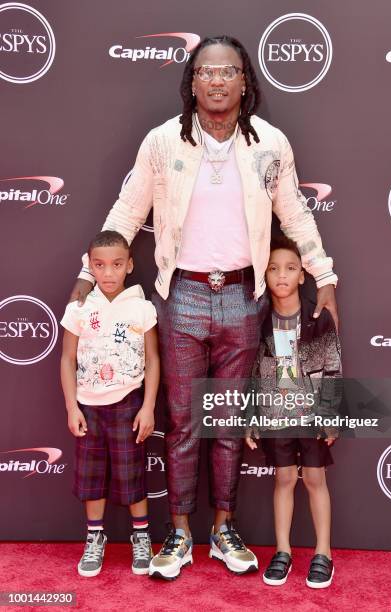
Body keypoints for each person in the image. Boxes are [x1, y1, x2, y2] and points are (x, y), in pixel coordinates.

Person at [69, 35, 338, 580]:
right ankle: (181, 533)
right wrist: (84, 273)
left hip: (245, 296)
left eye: (228, 71)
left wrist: (324, 274)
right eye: (206, 72)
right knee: (186, 422)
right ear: (192, 82)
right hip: (183, 295)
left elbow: (296, 215)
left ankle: (223, 529)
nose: (217, 80)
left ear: (245, 82)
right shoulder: (163, 142)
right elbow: (127, 209)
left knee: (228, 421)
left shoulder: (270, 144)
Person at [60, 230, 160, 577]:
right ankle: (94, 538)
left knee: (132, 475)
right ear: (90, 267)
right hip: (88, 406)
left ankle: (142, 536)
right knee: (92, 477)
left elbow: (153, 360)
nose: (108, 272)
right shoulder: (80, 308)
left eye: (117, 264)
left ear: (129, 265)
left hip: (127, 403)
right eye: (100, 265)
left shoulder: (142, 307)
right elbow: (67, 358)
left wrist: (147, 407)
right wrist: (72, 407)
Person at [246, 235, 342, 588]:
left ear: (303, 275)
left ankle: (323, 553)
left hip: (312, 414)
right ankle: (282, 551)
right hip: (276, 415)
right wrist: (251, 416)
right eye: (274, 269)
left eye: (290, 269)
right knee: (284, 479)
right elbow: (253, 375)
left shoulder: (318, 318)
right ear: (265, 275)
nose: (282, 275)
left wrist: (330, 414)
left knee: (315, 480)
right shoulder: (258, 323)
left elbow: (333, 367)